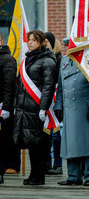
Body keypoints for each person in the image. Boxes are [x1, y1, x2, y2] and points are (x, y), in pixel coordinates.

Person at [54, 55, 89, 186]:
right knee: (71, 143)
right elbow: (61, 86)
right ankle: (73, 176)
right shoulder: (65, 60)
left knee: (88, 144)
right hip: (69, 109)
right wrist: (58, 105)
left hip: (86, 109)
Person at [13, 30, 56, 185]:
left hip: (37, 109)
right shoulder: (28, 59)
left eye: (33, 40)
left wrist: (43, 108)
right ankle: (33, 174)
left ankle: (39, 176)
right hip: (25, 108)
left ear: (41, 42)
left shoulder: (47, 61)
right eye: (28, 40)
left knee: (39, 143)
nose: (29, 42)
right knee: (31, 142)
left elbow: (48, 86)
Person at [44, 32, 63, 175]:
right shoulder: (42, 57)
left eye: (46, 41)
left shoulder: (59, 59)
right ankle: (46, 163)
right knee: (45, 132)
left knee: (56, 133)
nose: (44, 44)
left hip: (56, 98)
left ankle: (58, 164)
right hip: (45, 97)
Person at [0, 32, 17, 184]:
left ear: (1, 40)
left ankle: (1, 171)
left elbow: (9, 85)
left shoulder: (8, 59)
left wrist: (6, 106)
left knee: (2, 140)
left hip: (1, 107)